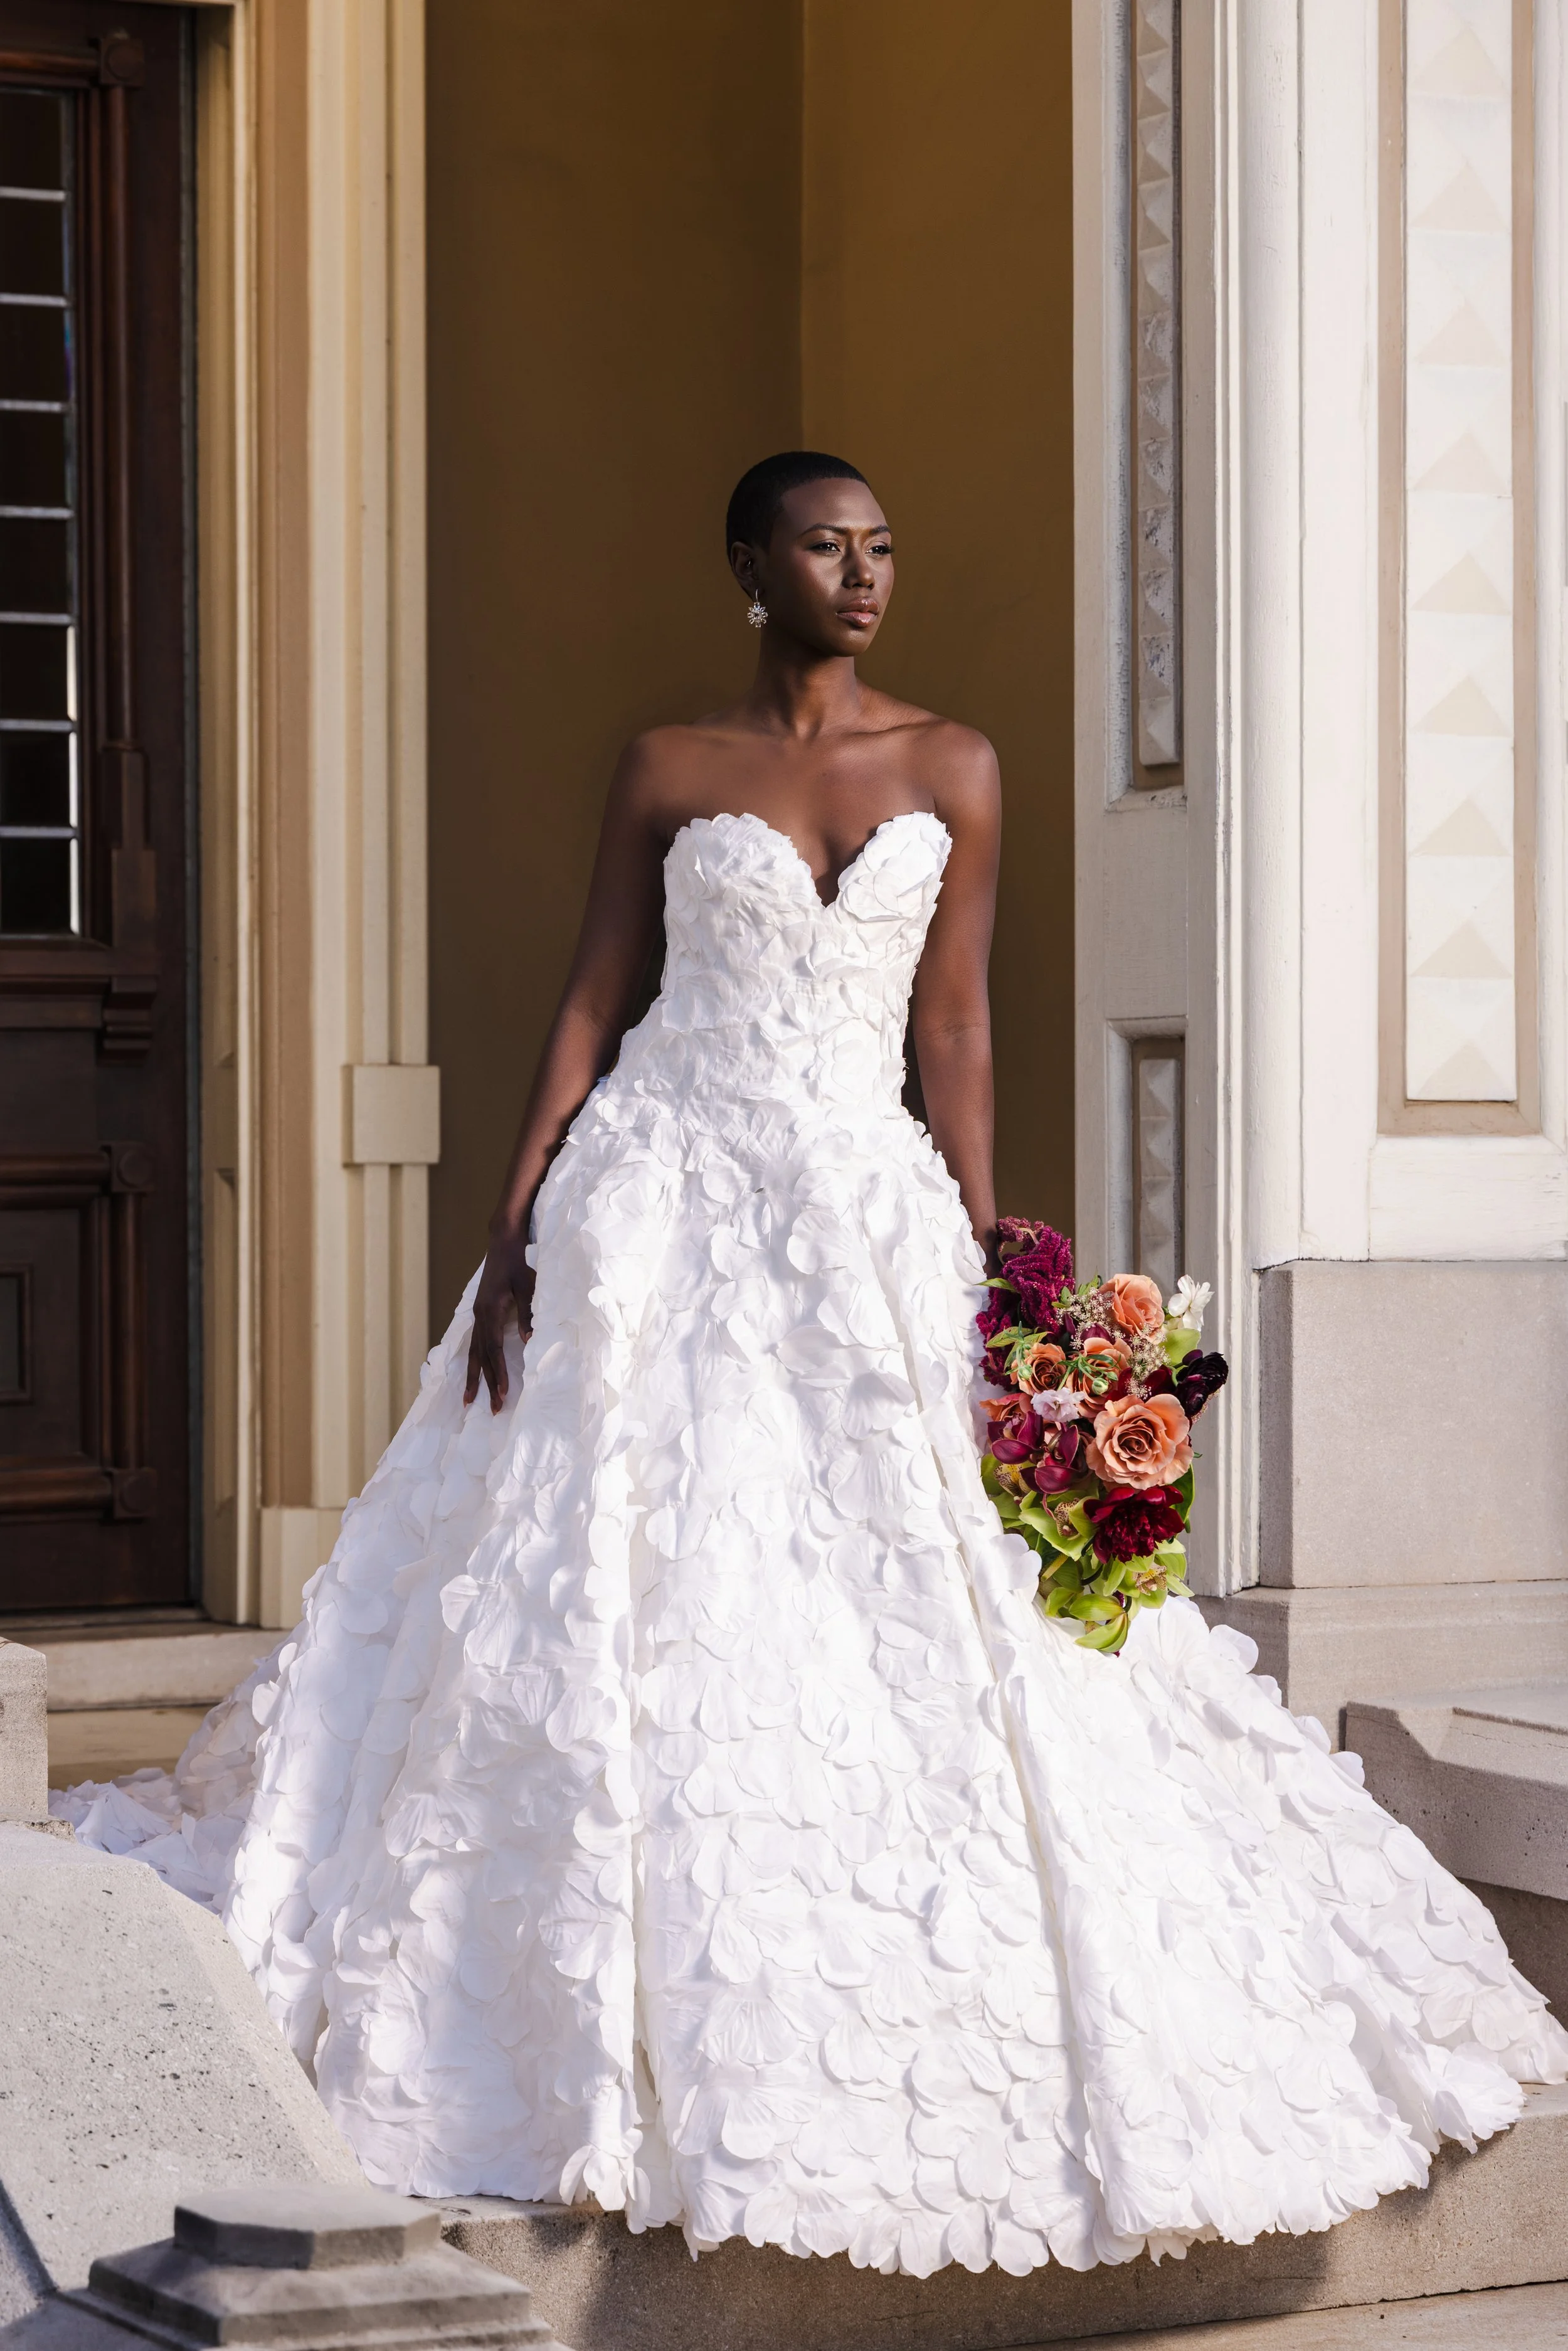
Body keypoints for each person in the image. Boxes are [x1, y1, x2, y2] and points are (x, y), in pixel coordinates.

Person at [57, 452, 1568, 2281]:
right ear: (749, 566)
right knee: (636, 1578)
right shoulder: (671, 767)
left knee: (930, 1592)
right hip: (657, 1208)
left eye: (880, 548)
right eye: (824, 545)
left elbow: (959, 1022)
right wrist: (517, 1216)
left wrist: (1000, 1266)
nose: (862, 575)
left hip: (863, 1215)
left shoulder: (954, 765)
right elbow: (593, 996)